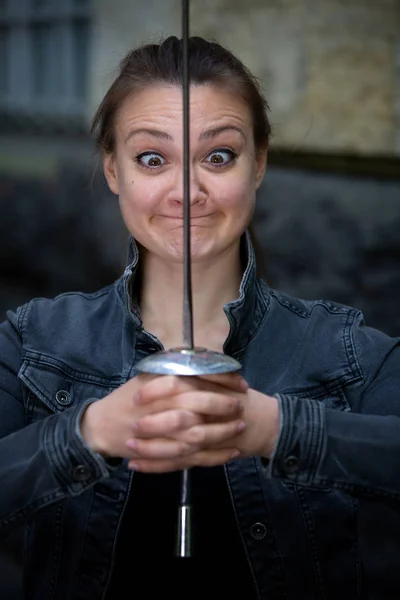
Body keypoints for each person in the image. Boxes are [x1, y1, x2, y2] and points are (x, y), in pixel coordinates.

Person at [1, 36, 400, 600]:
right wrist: (87, 434)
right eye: (151, 158)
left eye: (218, 156)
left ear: (258, 164)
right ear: (113, 170)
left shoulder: (350, 353)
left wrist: (277, 429)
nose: (186, 192)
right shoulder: (31, 342)